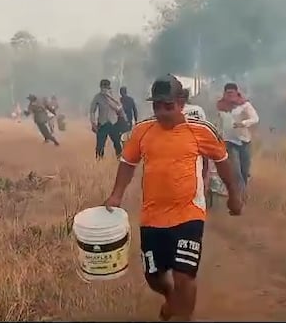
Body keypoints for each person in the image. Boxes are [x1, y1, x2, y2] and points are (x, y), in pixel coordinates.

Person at [104, 75, 243, 322]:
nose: (162, 112)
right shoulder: (142, 131)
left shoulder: (201, 130)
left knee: (184, 275)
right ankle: (171, 298)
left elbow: (223, 163)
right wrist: (116, 195)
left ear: (181, 103)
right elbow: (127, 163)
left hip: (189, 213)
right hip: (152, 217)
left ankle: (183, 316)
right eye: (157, 106)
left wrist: (234, 195)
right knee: (154, 277)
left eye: (168, 106)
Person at [216, 82, 259, 198]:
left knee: (244, 170)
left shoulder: (244, 105)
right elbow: (219, 122)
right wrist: (217, 133)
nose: (229, 95)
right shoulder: (221, 106)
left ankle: (242, 191)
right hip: (229, 141)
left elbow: (255, 118)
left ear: (236, 93)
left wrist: (243, 123)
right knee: (236, 171)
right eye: (227, 93)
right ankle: (240, 196)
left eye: (231, 93)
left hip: (244, 140)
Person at [89, 79, 125, 159]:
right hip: (102, 124)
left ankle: (120, 159)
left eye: (106, 87)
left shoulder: (114, 96)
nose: (104, 89)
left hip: (114, 123)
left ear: (109, 87)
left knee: (117, 143)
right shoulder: (97, 97)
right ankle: (99, 160)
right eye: (103, 87)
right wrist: (93, 123)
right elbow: (92, 111)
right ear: (100, 87)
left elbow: (119, 108)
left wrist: (109, 98)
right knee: (100, 145)